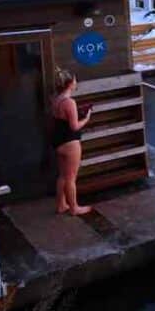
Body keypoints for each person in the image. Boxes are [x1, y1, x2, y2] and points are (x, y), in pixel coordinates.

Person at [50, 68, 92, 216]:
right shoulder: (69, 102)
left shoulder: (56, 99)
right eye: (74, 80)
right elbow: (74, 126)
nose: (76, 83)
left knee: (62, 175)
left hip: (58, 141)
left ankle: (61, 204)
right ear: (69, 83)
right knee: (71, 177)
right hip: (70, 142)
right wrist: (86, 118)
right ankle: (74, 208)